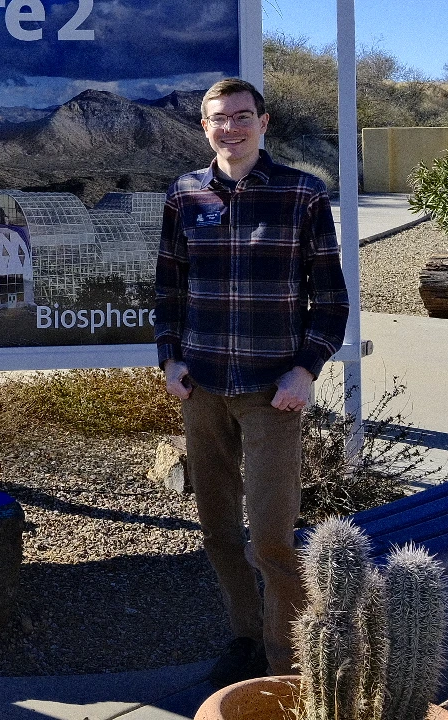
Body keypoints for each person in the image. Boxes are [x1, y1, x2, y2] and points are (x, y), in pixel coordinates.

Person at [153, 77, 348, 685]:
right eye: (218, 118)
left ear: (264, 123)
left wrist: (305, 369)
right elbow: (169, 288)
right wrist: (170, 359)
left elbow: (331, 300)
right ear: (204, 126)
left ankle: (287, 663)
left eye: (242, 116)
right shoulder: (184, 195)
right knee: (216, 527)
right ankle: (245, 637)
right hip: (203, 387)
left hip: (273, 394)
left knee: (271, 537)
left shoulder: (302, 194)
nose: (230, 128)